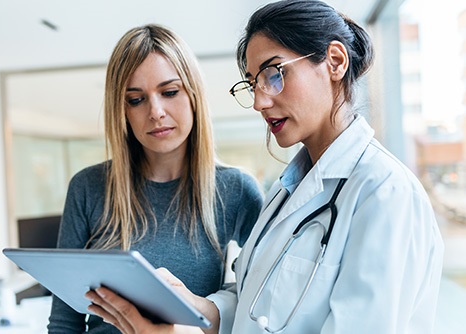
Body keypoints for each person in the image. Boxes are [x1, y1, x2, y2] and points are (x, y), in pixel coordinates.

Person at [84, 1, 445, 333]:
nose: (258, 101)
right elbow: (252, 304)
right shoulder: (286, 193)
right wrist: (195, 306)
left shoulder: (384, 193)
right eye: (253, 82)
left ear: (335, 62)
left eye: (274, 73)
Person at [47, 24, 264, 333]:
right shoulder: (88, 188)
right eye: (136, 99)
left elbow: (266, 299)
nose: (156, 112)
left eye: (170, 92)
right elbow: (64, 321)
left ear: (193, 95)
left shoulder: (235, 190)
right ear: (121, 110)